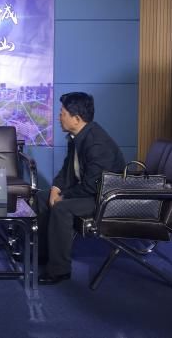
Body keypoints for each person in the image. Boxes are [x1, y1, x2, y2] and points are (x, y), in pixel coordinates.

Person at [37, 92, 125, 285]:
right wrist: (56, 188)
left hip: (104, 198)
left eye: (62, 113)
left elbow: (93, 185)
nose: (59, 117)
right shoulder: (77, 136)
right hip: (89, 192)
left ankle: (59, 270)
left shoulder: (97, 143)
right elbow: (67, 169)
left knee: (61, 208)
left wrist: (64, 196)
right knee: (42, 198)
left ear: (76, 119)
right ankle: (44, 254)